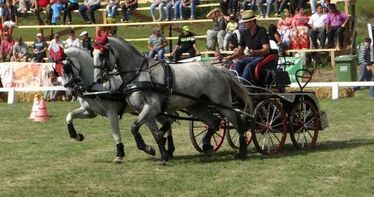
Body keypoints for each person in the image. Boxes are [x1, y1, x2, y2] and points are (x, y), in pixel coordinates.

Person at [225, 10, 270, 82]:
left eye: (245, 22)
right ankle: (234, 84)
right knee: (237, 63)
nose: (243, 24)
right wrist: (231, 57)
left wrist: (253, 52)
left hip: (261, 57)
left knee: (248, 66)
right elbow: (240, 51)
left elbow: (266, 50)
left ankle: (244, 86)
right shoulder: (244, 33)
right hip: (250, 57)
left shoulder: (261, 31)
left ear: (252, 22)